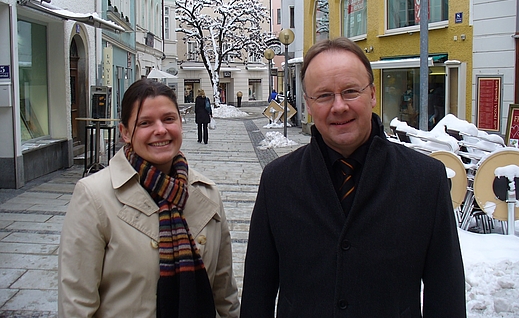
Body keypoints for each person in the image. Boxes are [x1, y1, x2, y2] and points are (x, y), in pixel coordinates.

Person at [241, 37, 466, 317]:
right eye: (323, 95)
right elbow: (257, 293)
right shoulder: (278, 180)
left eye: (350, 91)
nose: (339, 106)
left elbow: (446, 295)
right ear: (308, 105)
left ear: (372, 94)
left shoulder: (425, 180)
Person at [59, 79, 239, 318]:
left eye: (169, 119)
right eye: (145, 123)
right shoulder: (94, 197)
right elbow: (76, 305)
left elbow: (225, 294)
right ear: (124, 132)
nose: (161, 130)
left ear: (180, 123)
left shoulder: (207, 193)